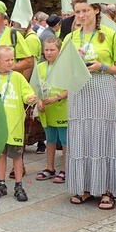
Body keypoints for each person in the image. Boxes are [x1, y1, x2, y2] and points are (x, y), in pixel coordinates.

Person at [62, 0, 116, 210]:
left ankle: (107, 189)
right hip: (79, 91)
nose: (81, 15)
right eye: (78, 11)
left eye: (85, 10)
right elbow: (63, 68)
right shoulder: (71, 37)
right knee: (82, 137)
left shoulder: (110, 35)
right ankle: (85, 186)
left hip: (102, 88)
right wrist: (75, 62)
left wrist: (103, 66)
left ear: (96, 10)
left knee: (103, 136)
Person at [0, 46, 36, 202]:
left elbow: (27, 92)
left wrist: (30, 98)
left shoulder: (18, 77)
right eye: (7, 60)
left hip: (14, 125)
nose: (11, 62)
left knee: (17, 157)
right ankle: (1, 184)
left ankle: (19, 185)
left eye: (12, 59)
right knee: (1, 155)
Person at [35, 38, 69, 182]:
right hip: (47, 110)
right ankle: (50, 167)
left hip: (62, 108)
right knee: (50, 139)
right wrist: (38, 101)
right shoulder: (40, 66)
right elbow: (35, 87)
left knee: (65, 140)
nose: (48, 53)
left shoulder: (66, 66)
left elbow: (72, 87)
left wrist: (58, 97)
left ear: (59, 50)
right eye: (46, 50)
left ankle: (65, 169)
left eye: (52, 50)